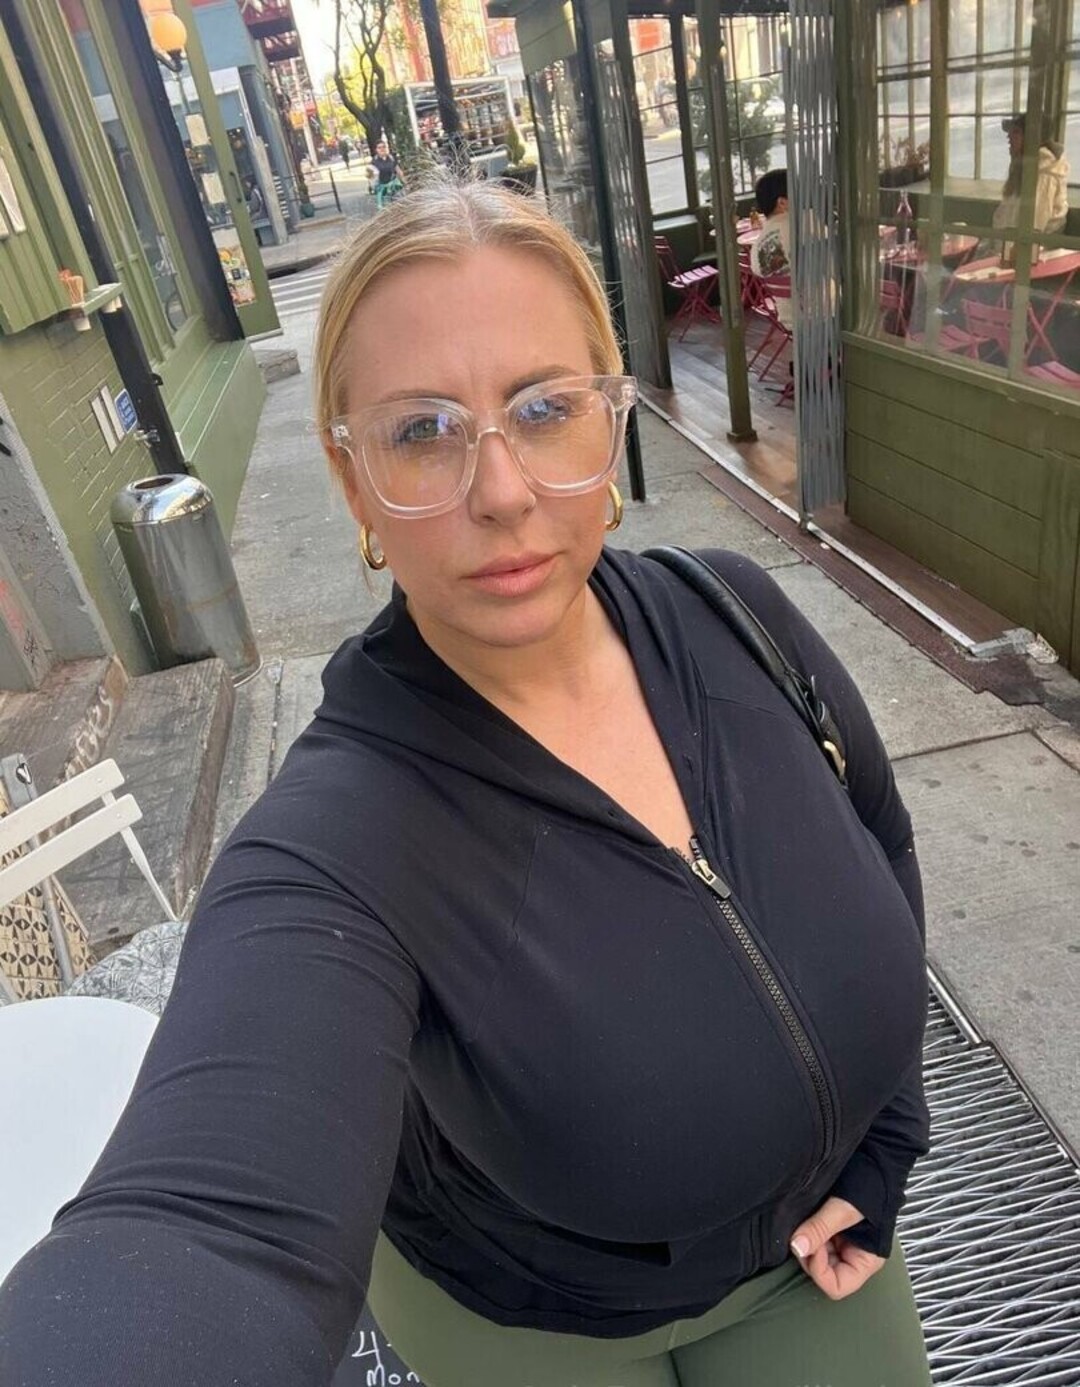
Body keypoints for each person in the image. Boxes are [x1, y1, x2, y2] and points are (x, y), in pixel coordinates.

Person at [0, 176, 932, 1387]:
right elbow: (209, 1231)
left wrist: (890, 1126)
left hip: (816, 1255)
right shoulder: (337, 838)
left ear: (611, 419)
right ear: (351, 481)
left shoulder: (737, 615)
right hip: (524, 1323)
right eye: (422, 431)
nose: (500, 492)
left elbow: (881, 834)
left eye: (544, 409)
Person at [993, 114, 1069, 247]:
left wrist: (1002, 254)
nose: (1009, 136)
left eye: (1016, 132)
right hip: (1007, 248)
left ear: (1033, 138)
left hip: (1029, 254)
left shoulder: (1044, 175)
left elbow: (1034, 228)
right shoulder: (1025, 168)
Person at [752, 167, 793, 329]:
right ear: (782, 203)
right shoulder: (806, 224)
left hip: (790, 323)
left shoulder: (756, 248)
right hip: (827, 320)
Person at [370, 138, 405, 208]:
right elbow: (371, 177)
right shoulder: (374, 162)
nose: (382, 149)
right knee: (385, 209)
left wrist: (404, 182)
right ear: (376, 150)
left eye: (384, 147)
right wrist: (372, 187)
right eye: (379, 148)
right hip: (382, 189)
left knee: (400, 206)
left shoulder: (392, 158)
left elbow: (399, 171)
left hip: (394, 186)